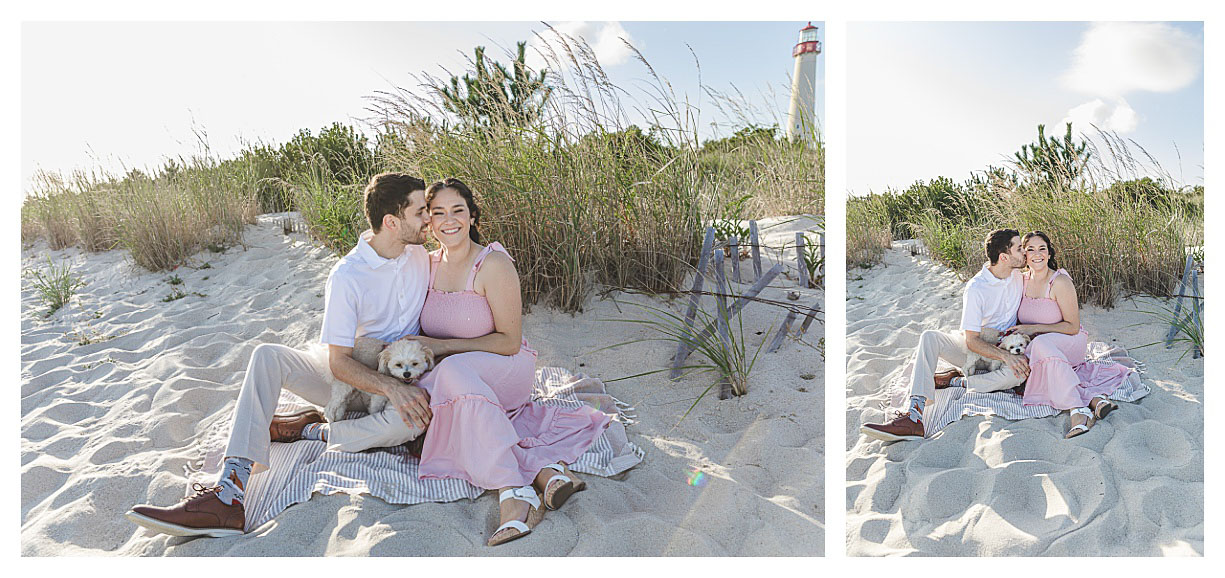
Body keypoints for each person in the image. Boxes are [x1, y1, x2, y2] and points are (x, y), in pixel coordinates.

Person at [125, 172, 436, 537]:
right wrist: (390, 387)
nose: (428, 219)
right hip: (349, 380)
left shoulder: (421, 255)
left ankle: (313, 431)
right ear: (392, 221)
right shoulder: (348, 275)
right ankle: (228, 493)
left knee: (412, 421)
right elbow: (338, 362)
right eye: (420, 212)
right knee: (267, 355)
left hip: (403, 378)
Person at [403, 178, 610, 546]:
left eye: (458, 210)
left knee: (450, 372)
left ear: (472, 215)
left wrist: (441, 346)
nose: (449, 220)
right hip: (458, 377)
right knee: (444, 379)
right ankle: (544, 473)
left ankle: (512, 489)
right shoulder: (426, 265)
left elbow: (509, 341)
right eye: (438, 213)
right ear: (428, 223)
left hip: (505, 368)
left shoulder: (492, 264)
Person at [860, 229, 1029, 442]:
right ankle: (914, 417)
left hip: (1006, 347)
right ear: (1004, 257)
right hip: (977, 350)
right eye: (1019, 248)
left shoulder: (1019, 277)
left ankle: (958, 382)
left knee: (1019, 374)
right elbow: (971, 340)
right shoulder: (977, 288)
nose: (1024, 253)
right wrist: (1005, 356)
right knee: (930, 337)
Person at [1008, 231, 1129, 438]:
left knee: (1041, 345)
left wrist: (1034, 328)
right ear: (1024, 255)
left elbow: (1073, 326)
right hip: (1040, 346)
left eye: (1042, 249)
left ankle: (1077, 411)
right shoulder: (1020, 281)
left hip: (1069, 342)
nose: (1037, 254)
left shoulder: (1060, 282)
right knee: (1040, 346)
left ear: (1049, 253)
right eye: (1030, 249)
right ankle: (1093, 400)